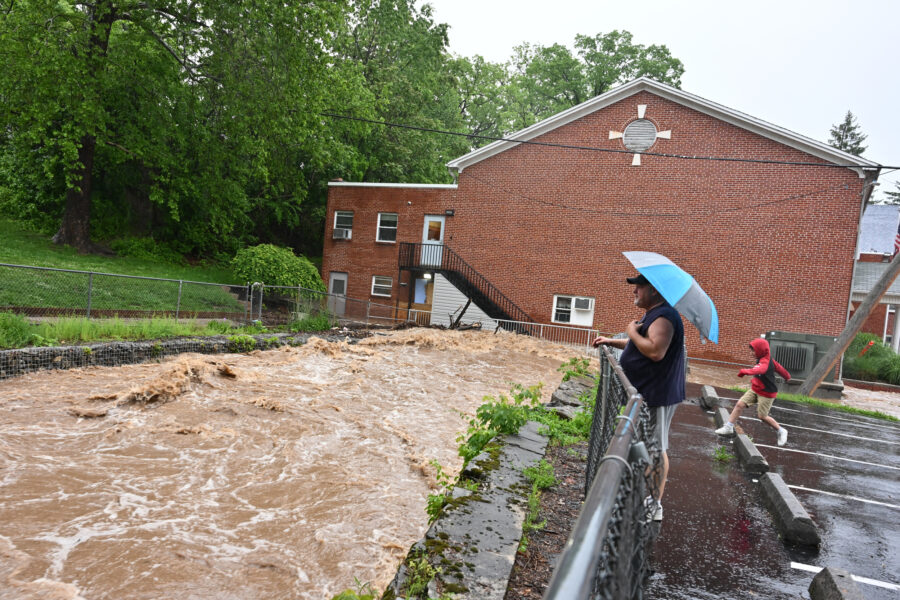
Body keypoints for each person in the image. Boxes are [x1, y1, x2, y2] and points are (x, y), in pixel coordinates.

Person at [592, 273, 685, 522]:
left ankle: (654, 504)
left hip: (657, 394)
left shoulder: (664, 317)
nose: (634, 292)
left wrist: (631, 331)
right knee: (648, 444)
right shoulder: (655, 314)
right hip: (649, 392)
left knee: (656, 447)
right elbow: (640, 344)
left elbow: (655, 351)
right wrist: (613, 340)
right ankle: (642, 491)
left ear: (653, 290)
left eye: (639, 287)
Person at [715, 338, 790, 446]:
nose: (752, 353)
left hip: (766, 393)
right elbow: (780, 369)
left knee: (762, 416)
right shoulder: (764, 359)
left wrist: (745, 371)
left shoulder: (765, 361)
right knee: (739, 404)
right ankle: (728, 427)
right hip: (756, 388)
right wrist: (787, 376)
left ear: (761, 350)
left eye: (754, 351)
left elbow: (761, 369)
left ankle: (781, 430)